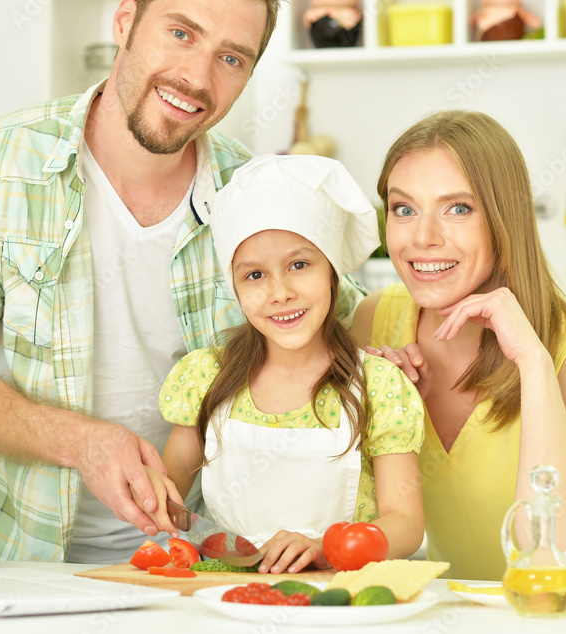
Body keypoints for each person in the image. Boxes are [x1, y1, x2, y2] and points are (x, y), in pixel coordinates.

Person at [0, 0, 366, 564]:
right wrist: (81, 442)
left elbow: (342, 323)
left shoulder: (255, 192)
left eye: (232, 58)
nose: (197, 77)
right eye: (181, 33)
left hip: (195, 569)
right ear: (125, 22)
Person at [351, 110, 566, 581]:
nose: (423, 238)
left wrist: (534, 364)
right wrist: (361, 402)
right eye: (404, 209)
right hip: (471, 616)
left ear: (504, 218)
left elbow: (557, 559)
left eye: (458, 208)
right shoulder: (374, 322)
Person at [141, 155, 426, 574]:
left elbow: (406, 524)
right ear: (235, 287)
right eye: (254, 275)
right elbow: (171, 497)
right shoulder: (205, 377)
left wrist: (327, 548)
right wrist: (150, 492)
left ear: (332, 272)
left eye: (299, 265)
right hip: (221, 594)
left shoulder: (378, 386)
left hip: (338, 597)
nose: (280, 293)